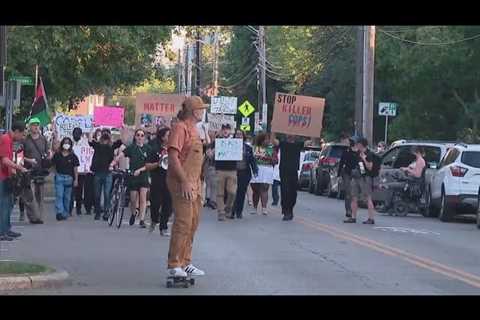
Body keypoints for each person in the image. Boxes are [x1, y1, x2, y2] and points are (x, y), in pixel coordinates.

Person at [166, 96, 207, 278]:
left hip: (195, 183)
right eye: (201, 108)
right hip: (181, 182)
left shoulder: (196, 130)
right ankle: (174, 264)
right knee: (183, 222)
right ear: (193, 111)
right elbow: (173, 158)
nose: (203, 111)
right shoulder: (179, 128)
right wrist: (183, 181)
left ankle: (186, 261)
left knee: (193, 223)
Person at [0, 122, 29, 241]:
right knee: (4, 205)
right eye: (22, 134)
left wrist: (13, 172)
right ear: (16, 131)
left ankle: (6, 228)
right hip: (1, 177)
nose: (22, 137)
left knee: (9, 204)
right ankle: (2, 231)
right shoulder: (6, 139)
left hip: (6, 176)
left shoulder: (10, 140)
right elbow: (5, 160)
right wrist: (20, 168)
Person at [119, 128, 151, 228]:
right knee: (133, 199)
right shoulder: (131, 148)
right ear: (135, 137)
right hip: (133, 175)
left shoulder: (148, 149)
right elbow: (121, 154)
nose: (140, 137)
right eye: (138, 135)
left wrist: (141, 170)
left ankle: (141, 220)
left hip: (144, 175)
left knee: (143, 198)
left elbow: (150, 164)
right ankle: (133, 213)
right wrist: (114, 162)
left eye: (142, 135)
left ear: (144, 137)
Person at [344, 137, 380, 225]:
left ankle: (371, 218)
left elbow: (370, 167)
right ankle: (353, 217)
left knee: (367, 198)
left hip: (365, 178)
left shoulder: (369, 154)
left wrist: (364, 158)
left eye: (357, 144)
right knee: (353, 197)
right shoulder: (358, 153)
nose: (356, 145)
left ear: (361, 144)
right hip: (356, 176)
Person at [21, 117, 50, 223]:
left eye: (37, 124)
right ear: (29, 127)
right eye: (34, 125)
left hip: (40, 171)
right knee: (30, 196)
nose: (36, 127)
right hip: (28, 171)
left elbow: (47, 153)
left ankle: (40, 217)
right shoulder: (25, 140)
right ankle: (33, 216)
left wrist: (48, 156)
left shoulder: (44, 139)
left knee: (40, 195)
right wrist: (29, 160)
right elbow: (20, 156)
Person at [146, 127, 173, 236]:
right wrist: (158, 163)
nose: (170, 137)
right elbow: (147, 166)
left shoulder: (174, 149)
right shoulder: (155, 149)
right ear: (162, 137)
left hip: (170, 180)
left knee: (168, 205)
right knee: (155, 204)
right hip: (157, 180)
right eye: (168, 135)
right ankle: (154, 220)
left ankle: (163, 227)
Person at [273, 133, 306, 221]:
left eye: (292, 134)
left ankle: (290, 209)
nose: (290, 135)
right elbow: (274, 141)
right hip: (284, 170)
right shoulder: (283, 143)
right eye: (289, 134)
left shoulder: (298, 144)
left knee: (293, 192)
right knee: (285, 190)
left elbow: (309, 142)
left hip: (294, 170)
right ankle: (286, 211)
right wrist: (274, 130)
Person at [89, 130, 120, 221]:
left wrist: (121, 129)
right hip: (98, 173)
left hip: (108, 173)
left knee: (107, 194)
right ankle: (98, 211)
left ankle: (106, 212)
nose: (105, 140)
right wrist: (93, 128)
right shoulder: (97, 146)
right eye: (104, 138)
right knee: (97, 194)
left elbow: (122, 141)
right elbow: (90, 141)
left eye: (107, 138)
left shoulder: (112, 147)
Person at [212, 124, 238, 221]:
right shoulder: (217, 142)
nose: (225, 131)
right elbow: (209, 153)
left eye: (227, 129)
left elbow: (240, 154)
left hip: (232, 170)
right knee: (220, 192)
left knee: (232, 192)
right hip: (220, 169)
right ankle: (221, 212)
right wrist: (213, 151)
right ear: (221, 131)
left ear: (230, 131)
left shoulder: (235, 142)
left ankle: (228, 207)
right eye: (224, 129)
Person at [250, 132, 279, 215]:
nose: (268, 141)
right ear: (261, 140)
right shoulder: (254, 148)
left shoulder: (271, 148)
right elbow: (251, 159)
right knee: (255, 190)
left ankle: (264, 208)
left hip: (267, 169)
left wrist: (270, 158)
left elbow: (276, 160)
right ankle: (255, 207)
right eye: (266, 139)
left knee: (264, 188)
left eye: (268, 139)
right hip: (256, 169)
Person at [231, 129, 258, 219]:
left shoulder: (248, 148)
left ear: (243, 137)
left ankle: (239, 211)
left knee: (241, 193)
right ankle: (231, 210)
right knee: (232, 192)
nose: (238, 136)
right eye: (237, 135)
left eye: (240, 135)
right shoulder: (229, 146)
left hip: (244, 173)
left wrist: (255, 170)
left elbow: (252, 160)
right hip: (233, 172)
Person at [52, 137, 79, 221]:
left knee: (67, 197)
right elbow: (53, 165)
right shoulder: (57, 155)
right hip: (59, 177)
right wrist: (55, 173)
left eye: (68, 143)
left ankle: (65, 213)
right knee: (59, 195)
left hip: (69, 178)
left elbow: (75, 169)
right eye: (65, 142)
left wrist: (76, 180)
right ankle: (59, 212)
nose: (66, 144)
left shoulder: (73, 156)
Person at [72, 127, 94, 216]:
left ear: (81, 134)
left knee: (88, 190)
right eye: (74, 134)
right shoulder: (72, 143)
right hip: (77, 170)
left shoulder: (85, 142)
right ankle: (78, 208)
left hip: (86, 170)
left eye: (77, 134)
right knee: (78, 190)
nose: (76, 135)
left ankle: (88, 208)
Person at [337, 137, 357, 218]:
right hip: (347, 173)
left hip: (355, 174)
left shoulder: (358, 153)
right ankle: (348, 210)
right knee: (348, 192)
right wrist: (338, 175)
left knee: (354, 192)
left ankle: (353, 209)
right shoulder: (346, 152)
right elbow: (341, 163)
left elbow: (360, 163)